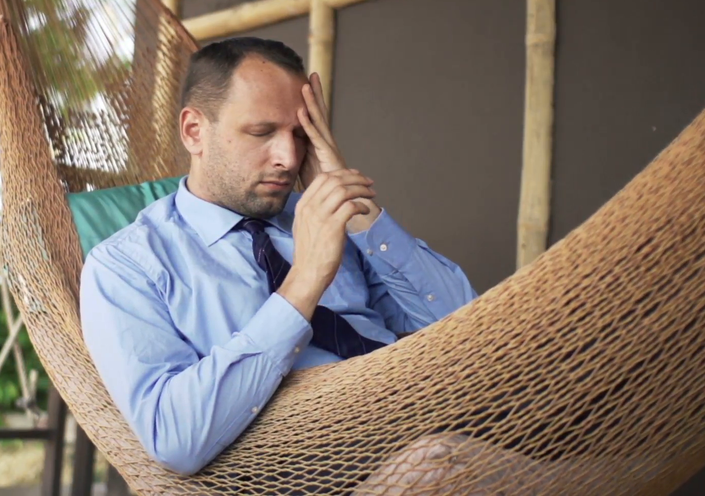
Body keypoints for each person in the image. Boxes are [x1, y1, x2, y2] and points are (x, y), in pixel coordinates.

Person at [79, 37, 518, 491]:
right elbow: (176, 439)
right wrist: (304, 282)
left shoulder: (326, 217)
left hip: (447, 423)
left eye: (300, 135)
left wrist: (359, 211)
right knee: (435, 469)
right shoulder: (127, 265)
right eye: (262, 132)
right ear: (194, 131)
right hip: (335, 475)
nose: (288, 159)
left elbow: (470, 336)